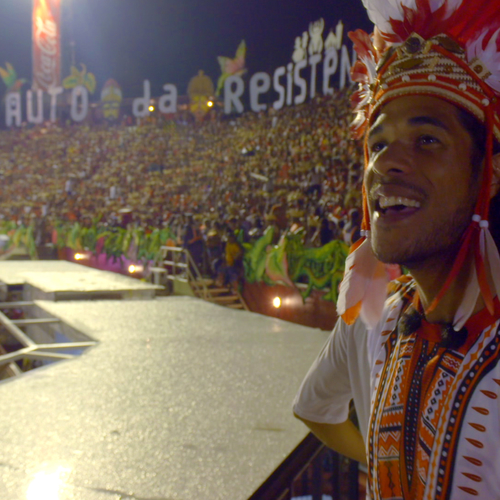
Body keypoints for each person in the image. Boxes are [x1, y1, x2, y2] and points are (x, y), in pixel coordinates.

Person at [293, 1, 500, 498]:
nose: (387, 164)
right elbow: (312, 408)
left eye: (426, 139)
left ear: (488, 175)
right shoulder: (369, 323)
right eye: (379, 144)